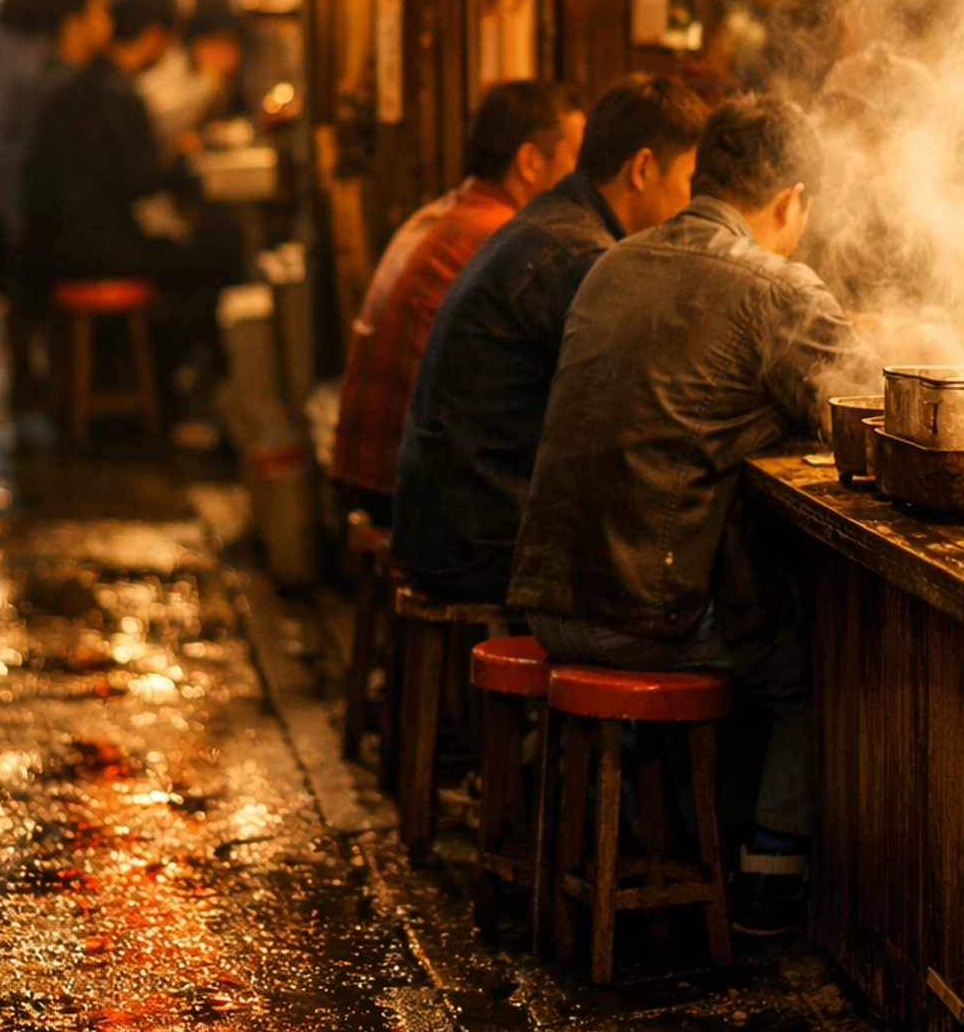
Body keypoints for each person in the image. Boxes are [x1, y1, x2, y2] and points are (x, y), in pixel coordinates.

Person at [510, 94, 878, 935]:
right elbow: (863, 408)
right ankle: (772, 877)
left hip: (546, 595)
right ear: (790, 201)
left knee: (752, 612)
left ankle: (680, 833)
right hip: (641, 613)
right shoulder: (775, 286)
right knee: (820, 662)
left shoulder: (613, 262)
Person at [392, 75, 711, 608]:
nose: (689, 205)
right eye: (687, 182)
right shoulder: (582, 259)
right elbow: (633, 419)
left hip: (445, 527)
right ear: (643, 168)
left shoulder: (554, 221)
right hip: (481, 549)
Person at [330, 80, 585, 526]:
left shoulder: (444, 213)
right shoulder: (505, 238)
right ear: (529, 161)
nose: (583, 180)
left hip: (368, 474)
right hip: (410, 493)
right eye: (575, 161)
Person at [21, 0, 185, 288]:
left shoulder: (82, 83)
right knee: (205, 250)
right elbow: (139, 178)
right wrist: (181, 164)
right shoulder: (108, 91)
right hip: (90, 247)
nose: (108, 25)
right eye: (100, 15)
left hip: (56, 241)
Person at [0, 0, 111, 292]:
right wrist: (4, 195)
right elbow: (1, 128)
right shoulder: (23, 52)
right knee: (22, 285)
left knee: (27, 287)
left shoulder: (21, 45)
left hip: (24, 184)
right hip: (18, 184)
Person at [137, 5, 248, 154]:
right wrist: (206, 84)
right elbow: (158, 122)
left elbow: (241, 123)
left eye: (230, 46)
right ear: (196, 43)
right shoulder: (172, 67)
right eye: (216, 44)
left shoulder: (230, 84)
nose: (225, 55)